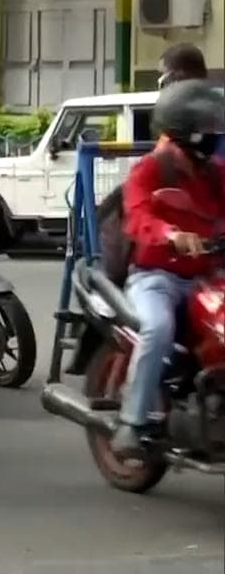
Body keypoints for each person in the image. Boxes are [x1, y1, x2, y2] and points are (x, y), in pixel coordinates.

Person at [111, 79, 225, 457]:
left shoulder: (213, 173)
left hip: (206, 278)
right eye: (207, 127)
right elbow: (137, 217)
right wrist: (171, 234)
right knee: (157, 329)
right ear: (184, 129)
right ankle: (132, 421)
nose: (214, 134)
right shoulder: (150, 170)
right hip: (156, 278)